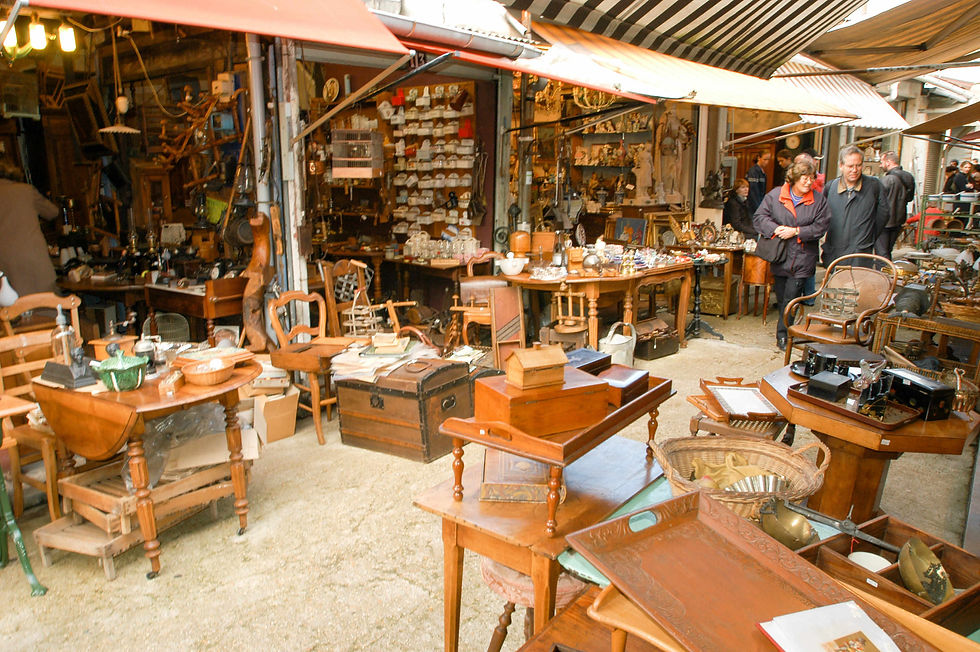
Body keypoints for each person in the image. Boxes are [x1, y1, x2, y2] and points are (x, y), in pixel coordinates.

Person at [753, 159, 830, 351]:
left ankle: (783, 335)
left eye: (811, 178)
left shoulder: (818, 200)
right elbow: (759, 218)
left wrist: (796, 231)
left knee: (792, 296)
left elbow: (820, 226)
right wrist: (776, 228)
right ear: (794, 178)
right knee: (781, 297)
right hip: (780, 255)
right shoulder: (776, 195)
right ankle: (787, 328)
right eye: (804, 178)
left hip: (803, 257)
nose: (808, 182)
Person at [821, 145, 890, 268]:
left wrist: (867, 236)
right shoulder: (831, 187)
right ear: (841, 166)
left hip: (861, 253)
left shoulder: (874, 186)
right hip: (834, 253)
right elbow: (823, 216)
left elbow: (883, 215)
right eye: (850, 166)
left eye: (858, 165)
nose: (855, 170)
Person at [0, 156, 59, 296]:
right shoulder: (25, 190)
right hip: (33, 257)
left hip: (4, 263)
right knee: (46, 306)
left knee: (12, 310)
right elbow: (52, 212)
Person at [877, 151, 916, 259]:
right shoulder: (909, 177)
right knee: (888, 250)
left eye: (882, 162)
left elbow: (878, 199)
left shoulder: (887, 179)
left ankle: (883, 273)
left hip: (884, 221)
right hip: (899, 219)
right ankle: (887, 272)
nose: (881, 165)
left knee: (882, 253)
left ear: (888, 162)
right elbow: (909, 198)